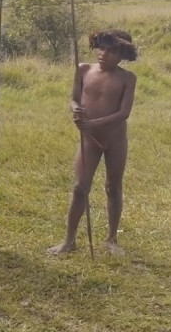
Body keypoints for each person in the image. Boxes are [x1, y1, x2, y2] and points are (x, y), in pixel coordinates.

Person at [48, 30, 137, 256]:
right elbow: (74, 99)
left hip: (115, 140)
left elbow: (124, 113)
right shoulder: (83, 70)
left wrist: (92, 123)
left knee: (113, 186)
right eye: (101, 48)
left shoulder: (127, 78)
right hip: (89, 139)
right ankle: (69, 240)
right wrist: (76, 109)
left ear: (122, 55)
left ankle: (112, 239)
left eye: (111, 51)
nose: (103, 54)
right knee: (80, 187)